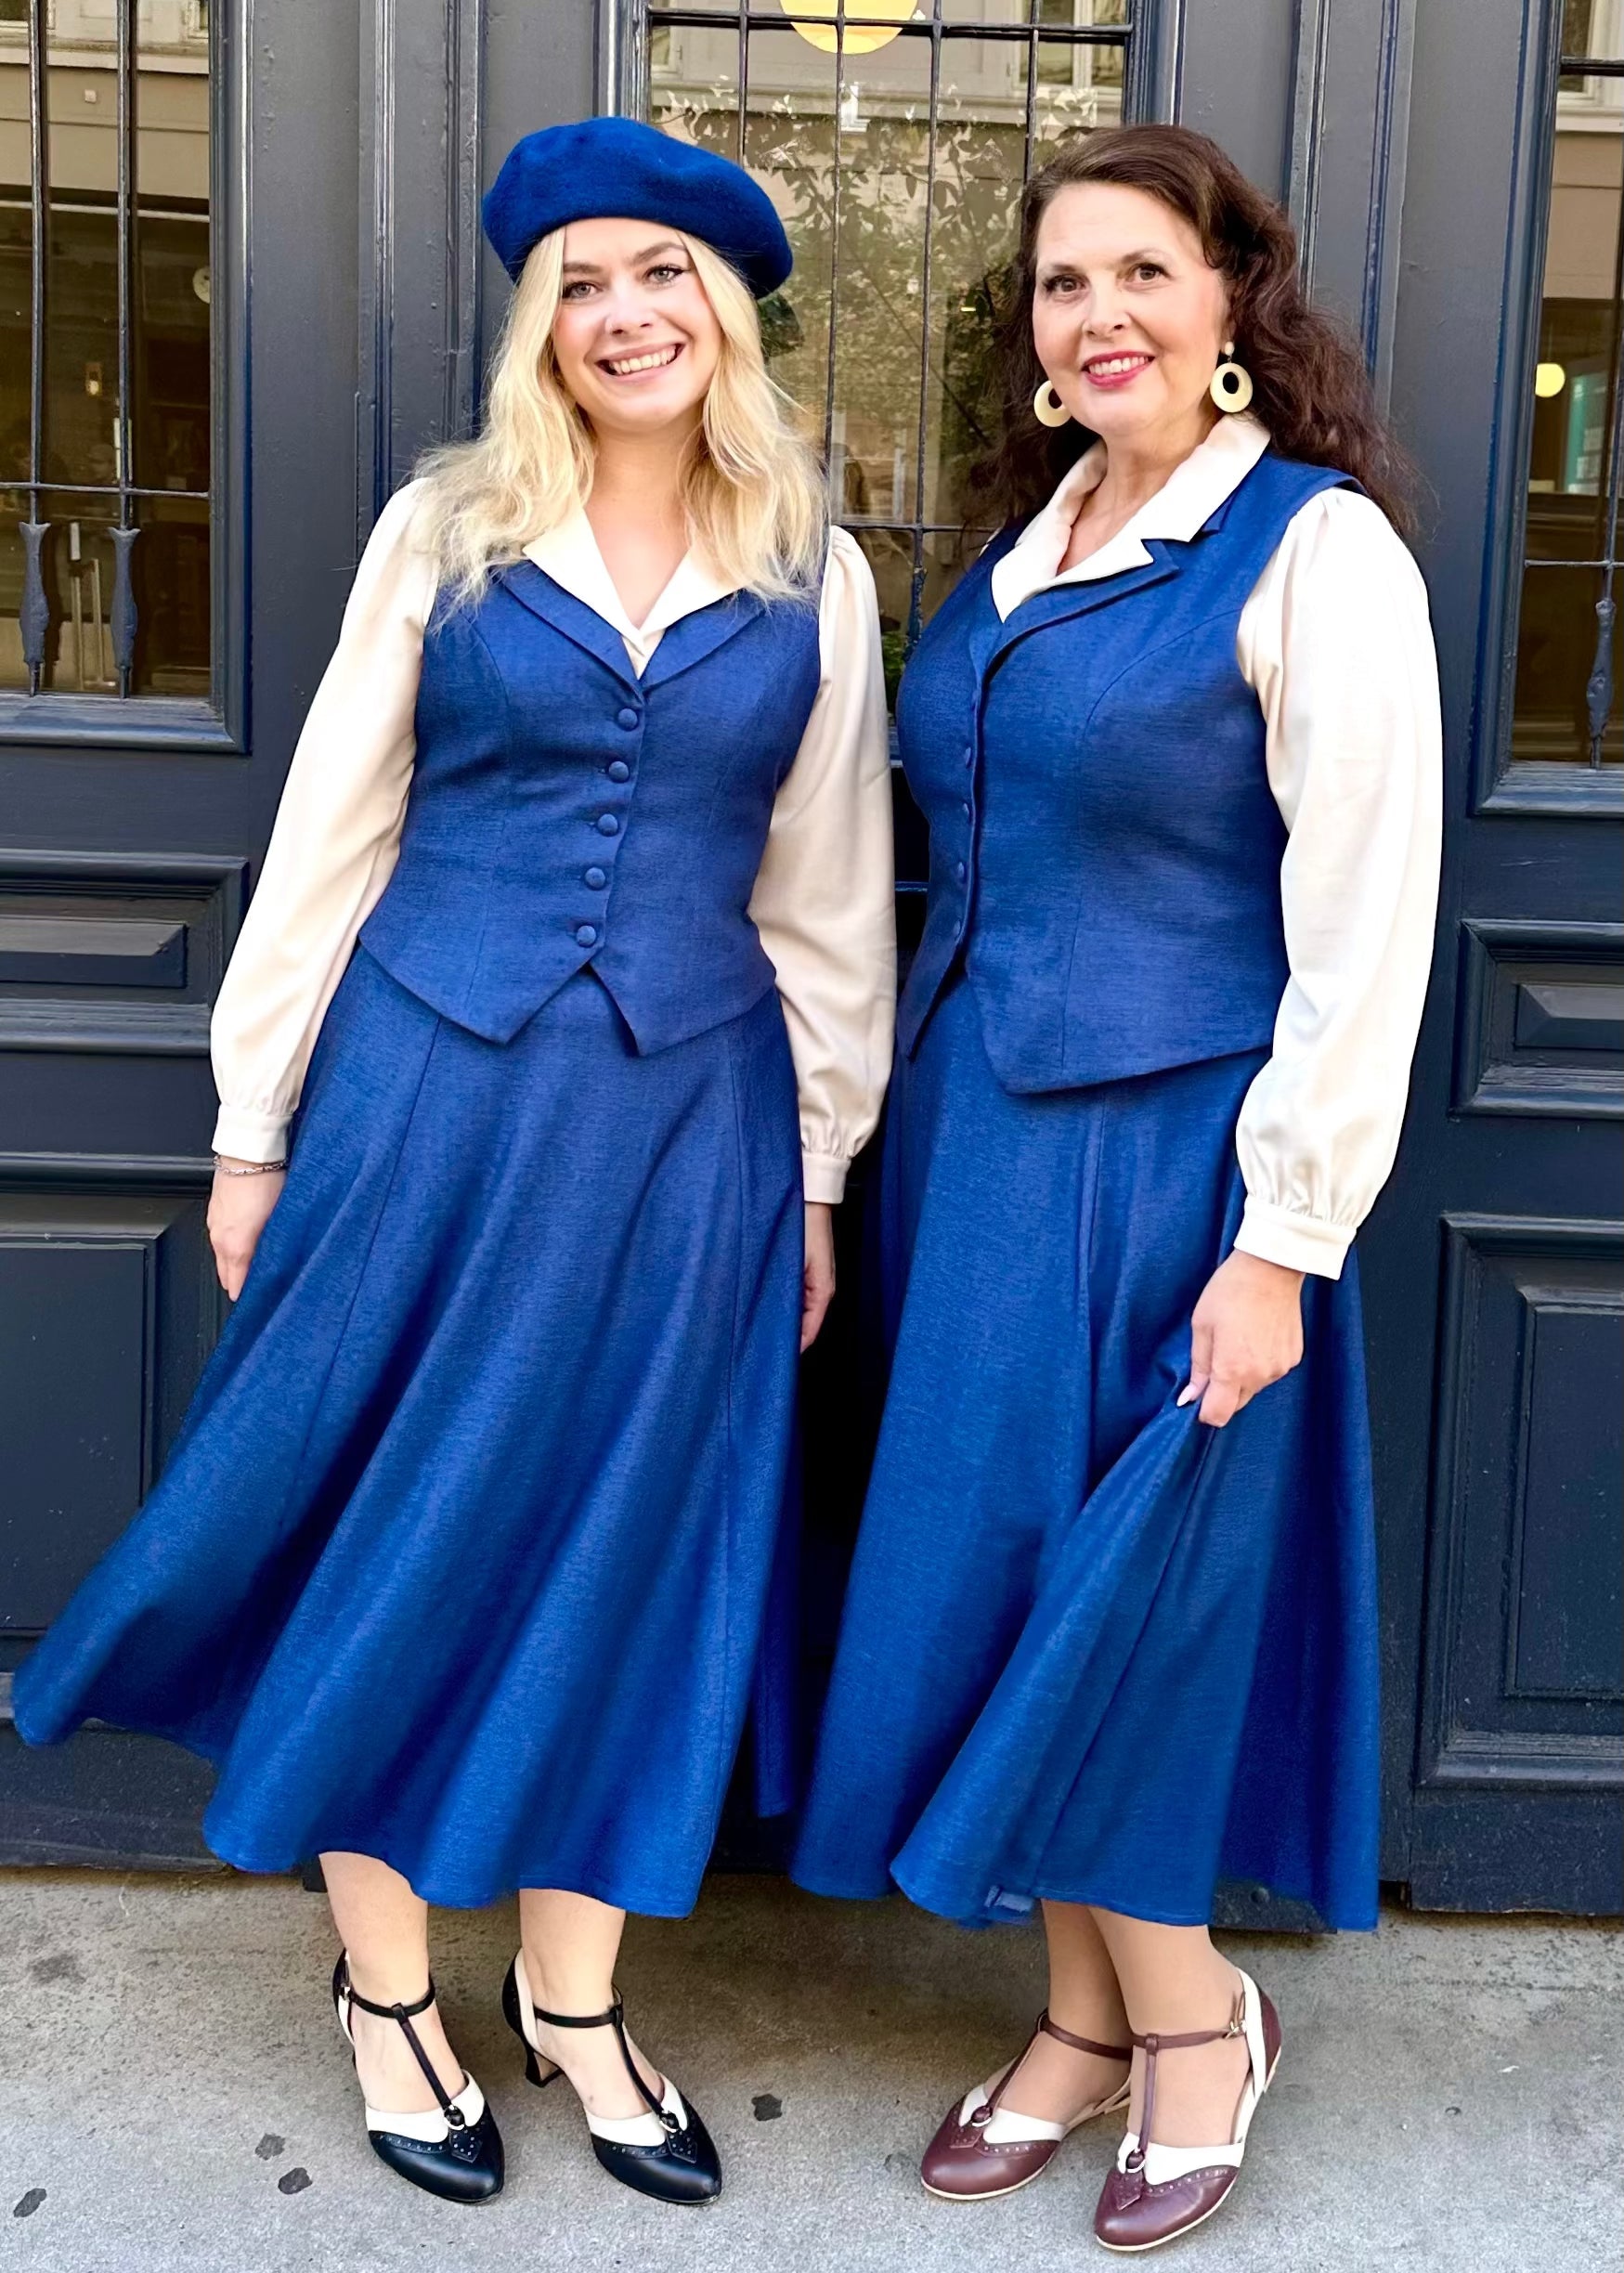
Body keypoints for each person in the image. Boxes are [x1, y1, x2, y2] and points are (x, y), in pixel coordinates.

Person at [15, 117, 895, 2211]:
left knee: (634, 1542)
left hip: (686, 1128)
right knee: (393, 1525)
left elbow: (828, 899)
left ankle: (573, 2005)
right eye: (581, 283)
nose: (623, 315)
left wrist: (814, 1174)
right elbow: (334, 830)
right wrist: (252, 1129)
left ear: (727, 315)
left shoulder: (812, 569)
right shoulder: (446, 534)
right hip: (426, 1100)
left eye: (660, 277)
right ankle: (389, 1984)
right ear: (542, 326)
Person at [793, 122, 1440, 2254]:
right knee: (1007, 1591)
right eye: (1063, 287)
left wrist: (1281, 1238)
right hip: (976, 1154)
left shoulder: (1312, 553)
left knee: (1126, 1598)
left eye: (1140, 274)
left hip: (1176, 1160)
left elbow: (1359, 928)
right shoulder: (1030, 540)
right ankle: (1073, 2018)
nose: (1099, 318)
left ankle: (1188, 2021)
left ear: (1230, 301)